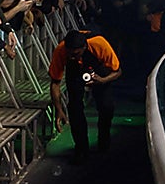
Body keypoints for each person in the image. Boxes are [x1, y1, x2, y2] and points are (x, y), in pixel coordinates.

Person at [48, 27, 122, 162]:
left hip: (99, 70)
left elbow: (117, 71)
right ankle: (81, 148)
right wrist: (58, 110)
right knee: (74, 108)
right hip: (74, 72)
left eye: (76, 54)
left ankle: (103, 140)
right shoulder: (61, 50)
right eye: (69, 54)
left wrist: (102, 80)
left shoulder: (99, 43)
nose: (72, 57)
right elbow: (55, 83)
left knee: (106, 106)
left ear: (84, 47)